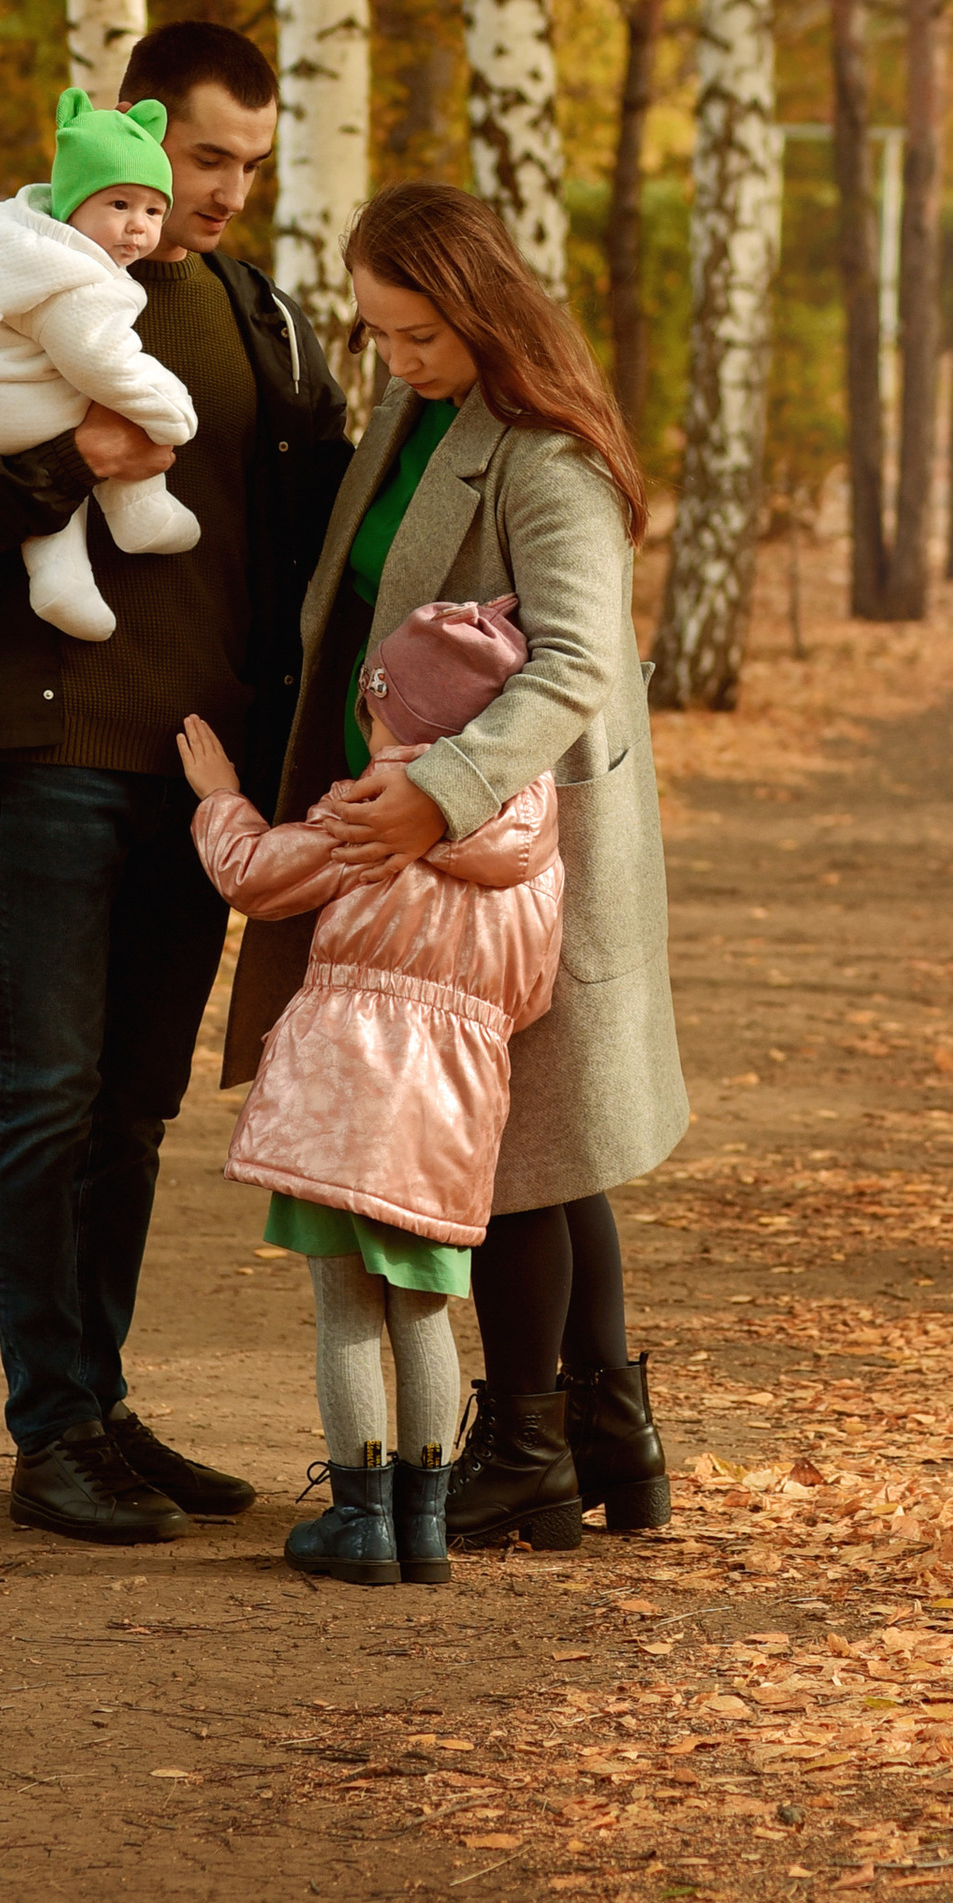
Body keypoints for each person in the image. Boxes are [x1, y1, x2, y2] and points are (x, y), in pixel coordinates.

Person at [0, 21, 348, 1545]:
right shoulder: (6, 285)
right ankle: (50, 1429)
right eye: (204, 157)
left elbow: (322, 528)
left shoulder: (264, 318)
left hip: (205, 784)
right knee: (49, 1094)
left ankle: (102, 1402)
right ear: (140, 127)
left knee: (135, 1109)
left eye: (248, 167)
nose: (221, 192)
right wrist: (66, 458)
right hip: (58, 757)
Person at [222, 180, 686, 1554]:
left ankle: (531, 1447)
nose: (399, 359)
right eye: (380, 333)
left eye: (419, 332)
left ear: (482, 306)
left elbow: (579, 663)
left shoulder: (546, 457)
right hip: (439, 837)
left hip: (515, 844)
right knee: (554, 1137)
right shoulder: (414, 418)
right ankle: (610, 1435)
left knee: (524, 1150)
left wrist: (438, 796)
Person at [179, 594, 566, 1591]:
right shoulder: (531, 842)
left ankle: (359, 1520)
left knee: (346, 1307)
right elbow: (530, 993)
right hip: (456, 1102)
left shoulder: (364, 809)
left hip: (343, 1088)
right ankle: (424, 1525)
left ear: (380, 705)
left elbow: (255, 877)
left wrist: (216, 795)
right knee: (426, 1310)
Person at [0, 89, 202, 641]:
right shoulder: (69, 276)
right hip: (17, 409)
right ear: (72, 203)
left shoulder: (29, 247)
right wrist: (171, 410)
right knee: (113, 409)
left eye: (153, 210)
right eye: (118, 205)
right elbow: (102, 360)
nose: (138, 227)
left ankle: (61, 581)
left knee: (83, 437)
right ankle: (137, 512)